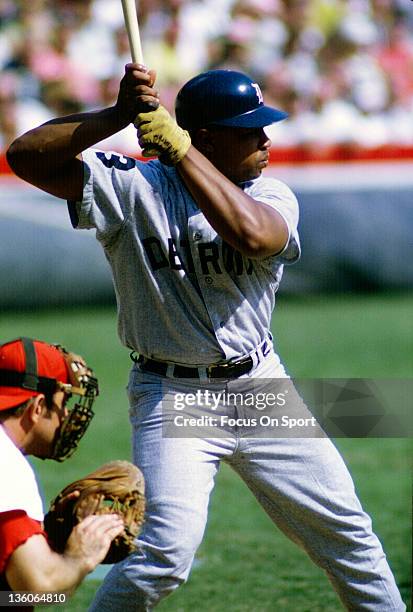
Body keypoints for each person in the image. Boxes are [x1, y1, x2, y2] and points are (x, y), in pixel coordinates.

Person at [6, 66, 405, 611]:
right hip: (172, 395)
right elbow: (27, 159)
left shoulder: (271, 193)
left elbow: (253, 236)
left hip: (260, 386)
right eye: (250, 130)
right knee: (162, 556)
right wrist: (116, 117)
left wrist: (180, 150)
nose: (266, 139)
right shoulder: (135, 185)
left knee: (347, 534)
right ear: (209, 137)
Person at [0, 337, 124, 607]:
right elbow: (38, 590)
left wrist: (51, 541)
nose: (66, 414)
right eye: (63, 402)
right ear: (37, 408)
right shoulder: (6, 463)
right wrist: (79, 558)